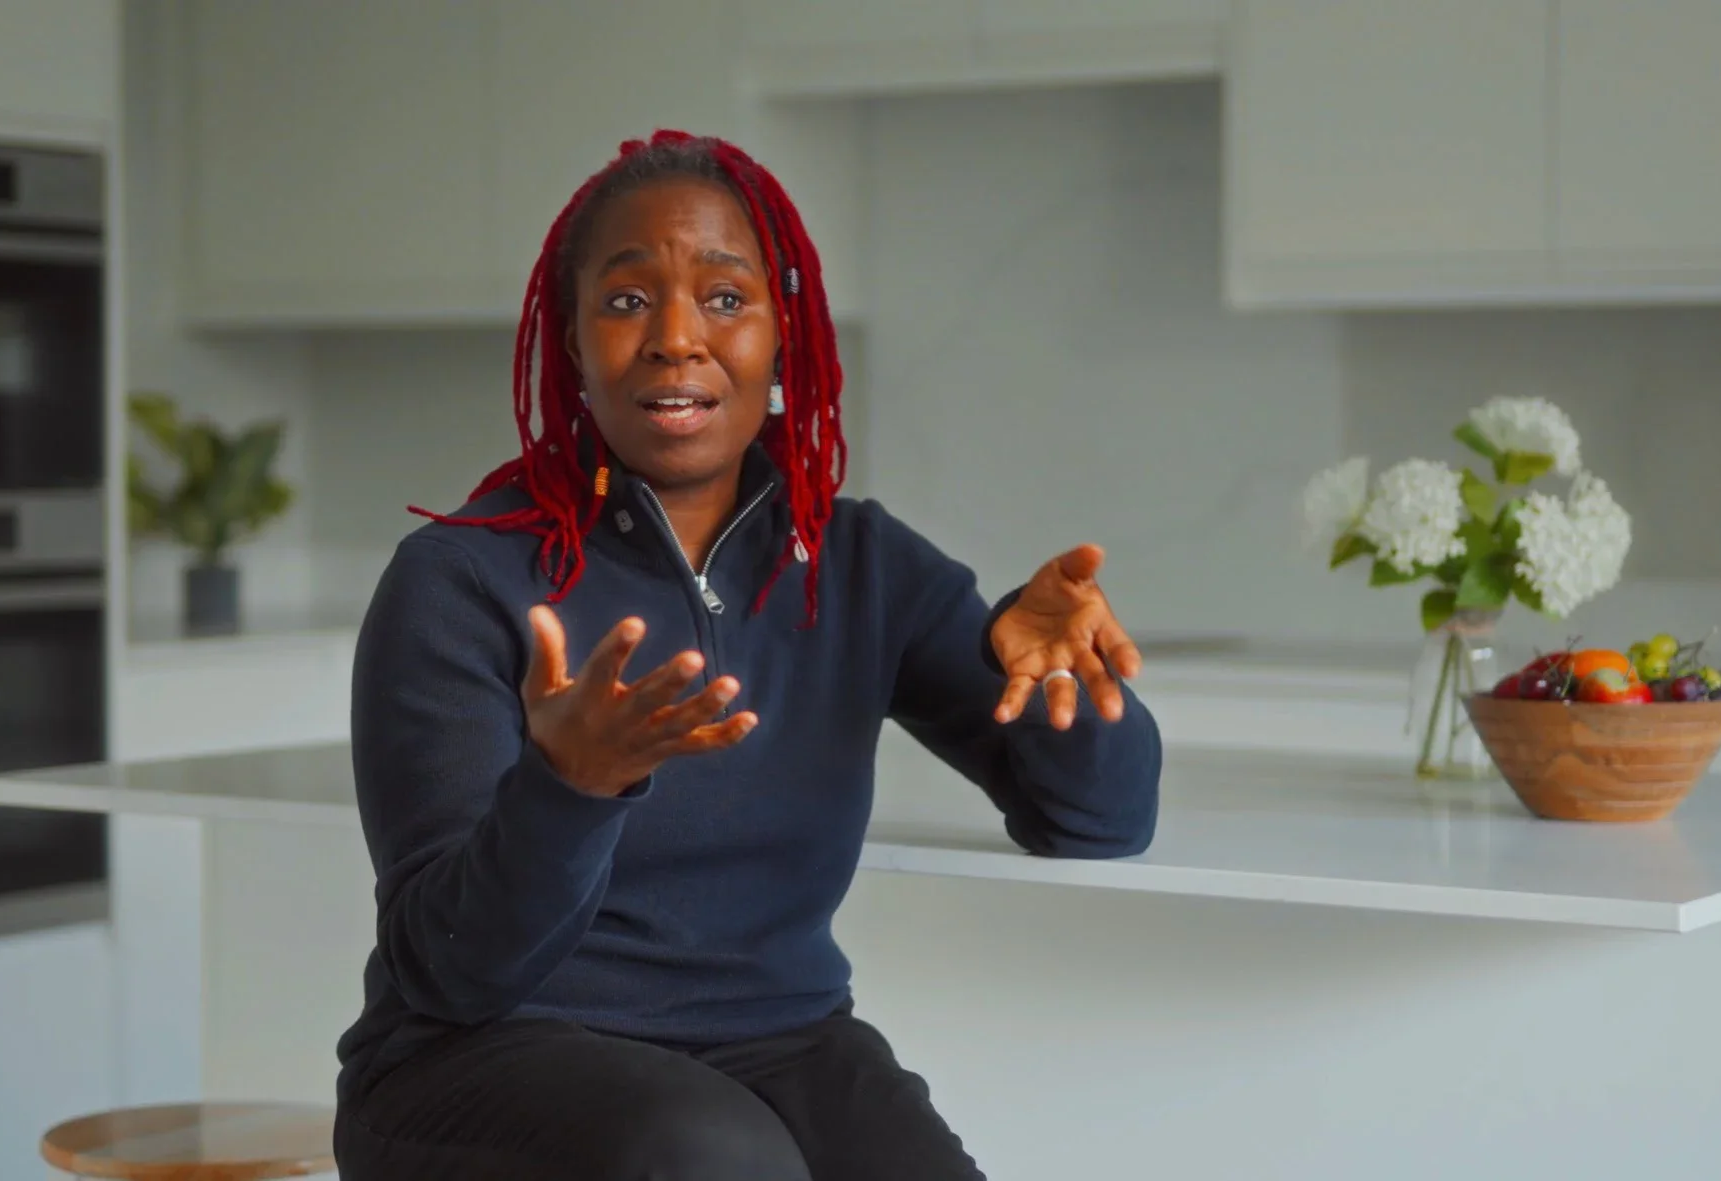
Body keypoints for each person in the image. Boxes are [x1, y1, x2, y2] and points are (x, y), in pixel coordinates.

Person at [329, 128, 1163, 1181]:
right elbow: (450, 971)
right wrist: (570, 787)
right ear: (572, 341)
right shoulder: (460, 578)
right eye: (628, 301)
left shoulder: (857, 563)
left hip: (779, 1040)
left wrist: (1065, 693)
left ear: (786, 336)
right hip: (478, 1058)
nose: (679, 338)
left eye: (726, 298)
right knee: (715, 1154)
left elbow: (1099, 822)